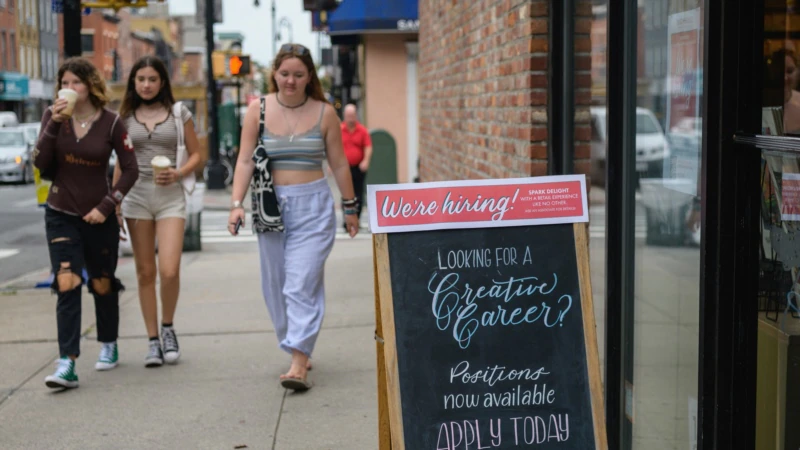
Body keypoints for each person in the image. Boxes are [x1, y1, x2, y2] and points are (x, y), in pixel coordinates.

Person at [228, 43, 359, 391]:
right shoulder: (257, 110)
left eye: (298, 74)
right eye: (285, 73)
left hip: (313, 206)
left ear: (309, 77)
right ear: (274, 73)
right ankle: (295, 341)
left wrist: (350, 207)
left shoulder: (324, 112)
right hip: (270, 205)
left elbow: (340, 163)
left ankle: (299, 359)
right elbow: (243, 160)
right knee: (275, 286)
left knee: (301, 283)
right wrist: (236, 202)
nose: (290, 80)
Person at [34, 57, 139, 389]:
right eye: (64, 82)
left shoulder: (110, 122)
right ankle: (67, 361)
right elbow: (41, 163)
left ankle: (108, 342)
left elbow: (131, 168)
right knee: (67, 281)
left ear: (90, 85)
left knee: (102, 283)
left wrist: (109, 205)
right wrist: (53, 123)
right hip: (60, 212)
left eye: (76, 82)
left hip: (99, 215)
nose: (69, 88)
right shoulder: (52, 118)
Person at [115, 55, 202, 367]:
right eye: (141, 80)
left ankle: (168, 328)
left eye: (152, 79)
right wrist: (116, 202)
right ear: (133, 83)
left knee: (169, 269)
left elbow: (197, 155)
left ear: (162, 81)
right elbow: (120, 164)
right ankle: (152, 341)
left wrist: (178, 173)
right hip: (136, 197)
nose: (147, 85)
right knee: (144, 272)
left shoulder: (179, 113)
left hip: (170, 198)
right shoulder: (123, 118)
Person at [340, 103, 372, 228]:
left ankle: (356, 219)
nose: (350, 118)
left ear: (356, 115)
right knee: (346, 194)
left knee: (358, 194)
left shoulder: (362, 130)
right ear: (344, 116)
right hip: (344, 168)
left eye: (352, 115)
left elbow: (368, 146)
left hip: (358, 167)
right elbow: (334, 148)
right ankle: (346, 220)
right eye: (348, 115)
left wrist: (366, 161)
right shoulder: (339, 130)